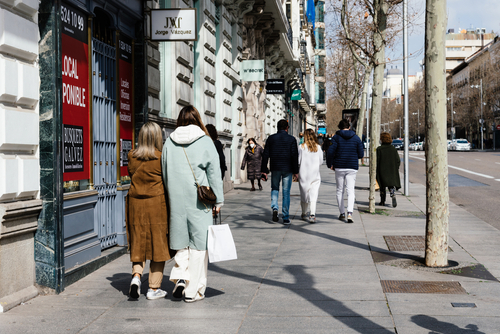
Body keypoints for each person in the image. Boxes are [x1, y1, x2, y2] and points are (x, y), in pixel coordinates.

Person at [161, 105, 224, 303]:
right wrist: (219, 200)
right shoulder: (205, 141)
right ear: (198, 119)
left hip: (176, 199)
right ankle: (193, 291)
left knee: (180, 242)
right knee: (199, 246)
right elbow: (214, 173)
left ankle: (181, 279)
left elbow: (164, 172)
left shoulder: (169, 142)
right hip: (200, 201)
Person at [127, 121, 170, 300]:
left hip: (135, 204)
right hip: (156, 203)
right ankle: (153, 288)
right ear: (158, 137)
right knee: (158, 243)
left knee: (138, 240)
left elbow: (131, 174)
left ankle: (136, 277)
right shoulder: (161, 157)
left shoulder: (131, 155)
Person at [261, 119, 299, 225]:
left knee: (275, 188)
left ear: (277, 128)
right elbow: (294, 156)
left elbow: (265, 155)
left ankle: (275, 208)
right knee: (286, 192)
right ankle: (285, 217)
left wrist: (263, 170)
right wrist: (296, 171)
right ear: (287, 128)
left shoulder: (271, 138)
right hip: (288, 168)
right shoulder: (291, 139)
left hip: (275, 167)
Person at [327, 119, 364, 224]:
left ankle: (342, 213)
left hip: (339, 166)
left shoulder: (336, 137)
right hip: (352, 167)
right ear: (349, 126)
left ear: (339, 127)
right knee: (350, 190)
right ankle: (350, 213)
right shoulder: (356, 138)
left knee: (339, 190)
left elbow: (330, 151)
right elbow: (361, 154)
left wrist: (330, 164)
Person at [298, 129, 323, 223]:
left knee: (304, 193)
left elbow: (298, 160)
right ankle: (312, 214)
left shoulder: (301, 147)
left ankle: (304, 212)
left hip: (304, 173)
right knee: (314, 194)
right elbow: (321, 161)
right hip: (315, 173)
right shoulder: (318, 148)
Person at [376, 132, 401, 207]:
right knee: (390, 185)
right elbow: (398, 160)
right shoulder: (393, 149)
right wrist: (395, 168)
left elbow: (377, 160)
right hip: (391, 170)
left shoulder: (379, 149)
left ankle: (382, 201)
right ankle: (392, 193)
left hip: (382, 170)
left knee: (382, 186)